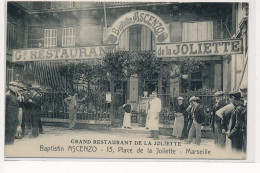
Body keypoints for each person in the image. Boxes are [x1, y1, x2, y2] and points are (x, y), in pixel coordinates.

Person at [240, 87, 247, 153]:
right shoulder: (244, 104)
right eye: (243, 93)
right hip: (244, 128)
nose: (244, 95)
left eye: (246, 92)